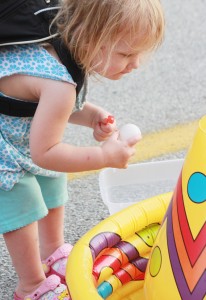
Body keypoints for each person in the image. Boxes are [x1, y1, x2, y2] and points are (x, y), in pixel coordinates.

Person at [0, 0, 165, 299]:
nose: (136, 63)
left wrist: (89, 115)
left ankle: (51, 251)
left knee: (51, 178)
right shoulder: (59, 83)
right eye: (126, 53)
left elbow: (37, 102)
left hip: (16, 129)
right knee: (21, 201)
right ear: (92, 38)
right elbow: (45, 152)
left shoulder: (61, 44)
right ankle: (31, 285)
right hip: (4, 148)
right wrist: (104, 157)